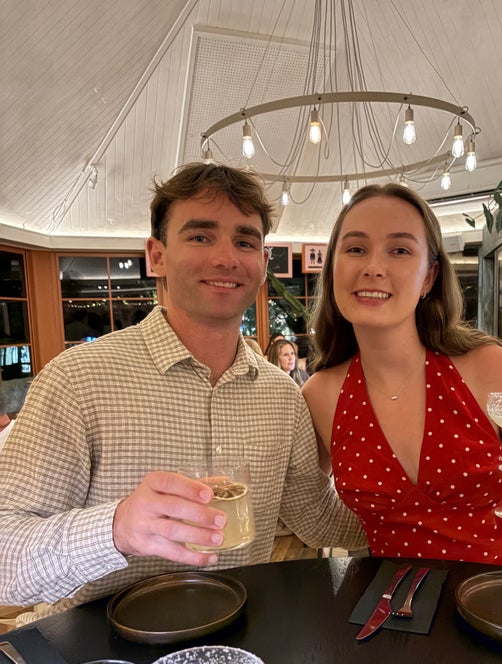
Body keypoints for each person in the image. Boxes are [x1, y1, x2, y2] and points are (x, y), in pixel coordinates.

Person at [0, 162, 365, 615]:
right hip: (102, 646)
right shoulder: (77, 380)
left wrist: (421, 514)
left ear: (262, 263)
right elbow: (5, 558)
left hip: (239, 636)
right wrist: (116, 527)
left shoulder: (281, 397)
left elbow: (318, 517)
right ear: (157, 256)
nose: (226, 258)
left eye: (245, 241)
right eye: (200, 237)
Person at [303, 183, 502, 573]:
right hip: (397, 594)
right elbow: (304, 503)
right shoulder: (320, 395)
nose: (373, 267)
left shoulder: (487, 367)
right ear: (333, 268)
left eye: (400, 250)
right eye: (356, 249)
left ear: (429, 277)